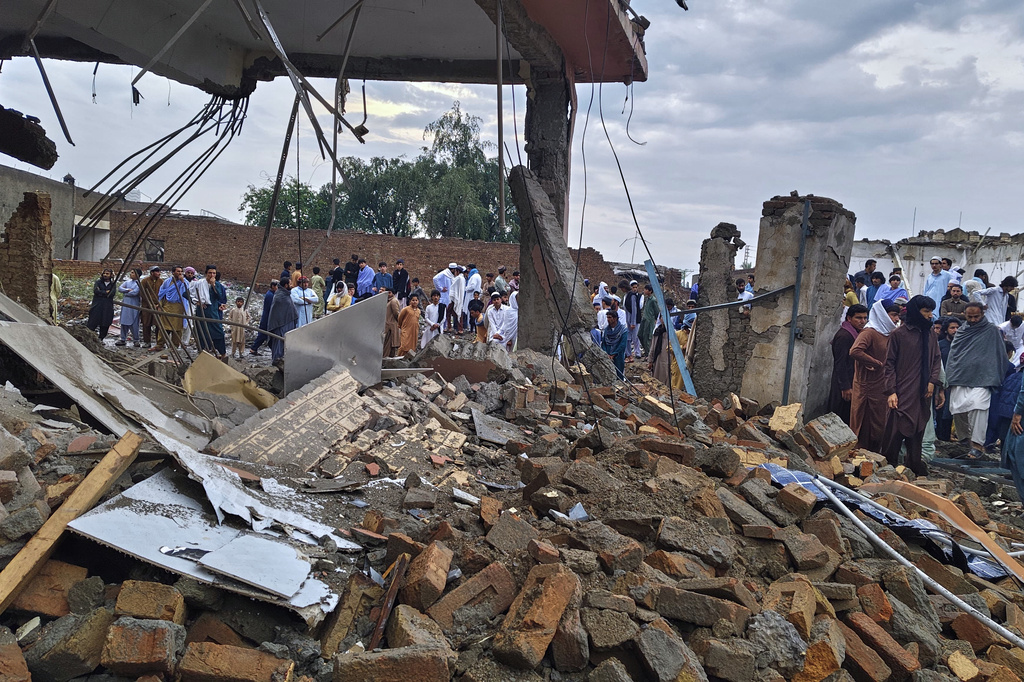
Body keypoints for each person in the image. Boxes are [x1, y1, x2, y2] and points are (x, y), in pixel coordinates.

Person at [881, 295, 942, 475]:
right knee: (895, 430)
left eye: (931, 311)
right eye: (926, 312)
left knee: (918, 428)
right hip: (902, 390)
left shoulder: (930, 334)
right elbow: (889, 364)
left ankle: (914, 465)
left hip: (923, 392)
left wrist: (932, 381)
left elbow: (937, 359)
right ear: (917, 312)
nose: (930, 315)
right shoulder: (899, 334)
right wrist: (891, 391)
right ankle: (888, 467)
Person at [946, 301, 1008, 459]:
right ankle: (966, 441)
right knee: (957, 408)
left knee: (979, 408)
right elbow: (954, 355)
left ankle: (978, 445)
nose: (973, 320)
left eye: (976, 316)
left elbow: (1000, 355)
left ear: (982, 314)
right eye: (970, 317)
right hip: (961, 377)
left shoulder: (992, 331)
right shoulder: (961, 331)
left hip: (983, 378)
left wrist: (998, 375)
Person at [850, 301, 901, 452]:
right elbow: (855, 351)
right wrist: (877, 363)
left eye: (898, 315)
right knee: (864, 421)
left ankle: (875, 455)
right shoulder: (869, 332)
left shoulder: (889, 333)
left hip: (883, 386)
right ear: (883, 314)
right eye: (893, 315)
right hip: (866, 386)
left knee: (879, 422)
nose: (896, 319)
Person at [829, 304, 868, 425]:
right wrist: (845, 387)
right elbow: (840, 363)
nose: (862, 321)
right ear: (849, 319)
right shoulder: (844, 336)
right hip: (844, 384)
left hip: (852, 381)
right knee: (840, 416)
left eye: (865, 318)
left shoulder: (856, 334)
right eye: (858, 318)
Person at [194, 265, 228, 358]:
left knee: (218, 333)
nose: (212, 275)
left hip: (213, 313)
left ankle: (223, 354)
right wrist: (196, 301)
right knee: (202, 334)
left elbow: (220, 297)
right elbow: (187, 293)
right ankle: (203, 354)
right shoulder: (199, 283)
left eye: (214, 273)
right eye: (210, 273)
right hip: (202, 313)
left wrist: (213, 285)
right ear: (206, 273)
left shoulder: (218, 285)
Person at [153, 266, 188, 351]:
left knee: (177, 328)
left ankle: (175, 345)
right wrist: (160, 305)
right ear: (173, 272)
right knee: (164, 327)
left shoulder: (185, 282)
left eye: (181, 271)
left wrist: (182, 282)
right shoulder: (167, 282)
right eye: (178, 271)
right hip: (167, 306)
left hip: (179, 307)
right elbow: (162, 294)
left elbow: (187, 292)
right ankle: (160, 344)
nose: (180, 273)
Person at [267, 279, 298, 365]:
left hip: (288, 322)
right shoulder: (280, 296)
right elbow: (279, 311)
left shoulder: (286, 294)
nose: (291, 285)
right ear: (286, 285)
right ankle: (277, 361)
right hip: (280, 324)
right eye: (290, 283)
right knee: (279, 342)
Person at [250, 280, 279, 355]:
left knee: (266, 335)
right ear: (273, 286)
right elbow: (271, 308)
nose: (277, 288)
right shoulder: (270, 295)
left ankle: (255, 348)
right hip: (267, 318)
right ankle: (253, 348)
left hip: (267, 317)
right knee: (263, 334)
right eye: (277, 286)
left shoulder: (271, 294)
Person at [115, 268, 143, 347]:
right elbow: (120, 288)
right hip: (125, 304)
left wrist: (126, 292)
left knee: (134, 322)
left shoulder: (139, 283)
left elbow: (135, 292)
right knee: (124, 322)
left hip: (134, 305)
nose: (131, 274)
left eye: (133, 273)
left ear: (137, 274)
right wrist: (127, 290)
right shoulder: (127, 282)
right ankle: (123, 339)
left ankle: (136, 340)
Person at [87, 269, 116, 340]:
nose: (105, 275)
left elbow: (112, 294)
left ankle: (101, 338)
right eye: (104, 273)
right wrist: (105, 292)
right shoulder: (98, 282)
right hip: (97, 305)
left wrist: (102, 292)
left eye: (107, 274)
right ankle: (89, 338)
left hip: (107, 306)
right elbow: (96, 291)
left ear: (111, 275)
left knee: (105, 323)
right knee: (93, 321)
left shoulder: (112, 284)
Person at [139, 266, 163, 348]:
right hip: (147, 306)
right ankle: (147, 341)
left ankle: (158, 342)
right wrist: (149, 303)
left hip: (157, 305)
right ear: (152, 272)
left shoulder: (161, 281)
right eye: (157, 272)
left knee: (158, 324)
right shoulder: (145, 281)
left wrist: (159, 304)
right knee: (146, 324)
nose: (158, 274)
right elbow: (142, 293)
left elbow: (163, 293)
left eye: (159, 272)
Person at [601, 310, 629, 379]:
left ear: (615, 318)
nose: (608, 319)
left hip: (618, 356)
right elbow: (604, 343)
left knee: (619, 375)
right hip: (607, 356)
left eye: (610, 317)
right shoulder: (607, 330)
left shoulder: (623, 330)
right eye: (607, 317)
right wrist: (606, 354)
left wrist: (614, 354)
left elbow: (622, 344)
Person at [624, 280, 643, 362]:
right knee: (628, 338)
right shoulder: (627, 295)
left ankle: (637, 353)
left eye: (636, 287)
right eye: (633, 287)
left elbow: (637, 308)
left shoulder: (638, 296)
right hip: (628, 320)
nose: (635, 289)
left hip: (635, 320)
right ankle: (629, 354)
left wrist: (633, 322)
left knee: (635, 337)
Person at [432, 264, 456, 331]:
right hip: (443, 296)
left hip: (448, 296)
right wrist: (440, 288)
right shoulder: (444, 273)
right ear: (452, 269)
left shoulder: (450, 275)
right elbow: (435, 279)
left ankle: (445, 326)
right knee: (442, 311)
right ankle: (441, 326)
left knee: (447, 312)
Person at [639, 284, 659, 354]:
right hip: (644, 319)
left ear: (650, 291)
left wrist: (656, 320)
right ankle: (646, 351)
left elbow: (656, 311)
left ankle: (648, 354)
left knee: (647, 337)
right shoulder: (647, 299)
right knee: (640, 335)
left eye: (646, 289)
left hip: (649, 320)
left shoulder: (653, 300)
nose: (644, 291)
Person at [383, 289, 401, 357]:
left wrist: (399, 321)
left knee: (389, 345)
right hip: (388, 326)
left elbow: (396, 313)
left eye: (389, 292)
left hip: (392, 326)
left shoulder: (393, 301)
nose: (388, 294)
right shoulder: (388, 301)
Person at [463, 265, 481, 329]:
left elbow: (472, 286)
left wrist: (465, 288)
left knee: (470, 313)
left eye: (468, 269)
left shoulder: (474, 277)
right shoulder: (477, 276)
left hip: (471, 296)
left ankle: (470, 327)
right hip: (474, 295)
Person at [450, 266, 466, 333]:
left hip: (456, 298)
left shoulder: (458, 278)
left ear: (458, 272)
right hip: (460, 298)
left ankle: (457, 328)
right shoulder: (462, 278)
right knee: (458, 312)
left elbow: (453, 287)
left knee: (451, 312)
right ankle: (459, 328)